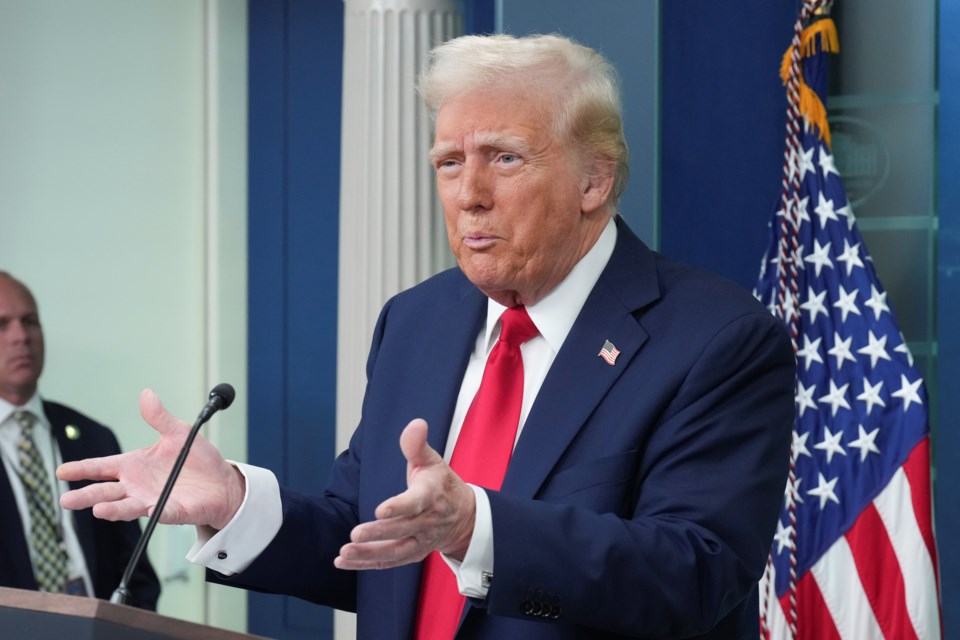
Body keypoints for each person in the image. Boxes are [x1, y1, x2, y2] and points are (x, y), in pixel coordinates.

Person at [58, 34, 795, 638]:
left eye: (504, 158)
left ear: (594, 180)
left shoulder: (715, 339)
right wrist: (235, 503)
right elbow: (365, 537)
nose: (469, 193)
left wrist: (479, 529)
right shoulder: (418, 320)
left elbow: (693, 574)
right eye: (448, 163)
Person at [0, 272, 160, 610]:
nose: (21, 337)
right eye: (2, 325)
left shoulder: (93, 437)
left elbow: (136, 574)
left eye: (30, 322)